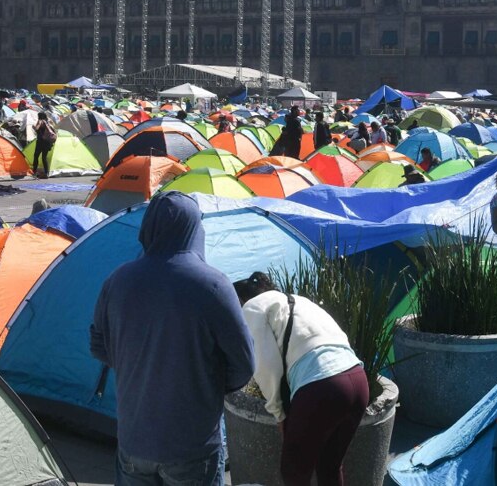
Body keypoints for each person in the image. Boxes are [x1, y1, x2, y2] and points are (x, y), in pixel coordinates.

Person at [90, 192, 255, 486]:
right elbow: (244, 363)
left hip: (133, 439)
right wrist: (210, 385)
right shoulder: (213, 285)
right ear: (194, 228)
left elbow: (99, 346)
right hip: (192, 444)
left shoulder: (117, 281)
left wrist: (136, 367)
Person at [234, 272, 368, 486]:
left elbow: (266, 366)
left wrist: (279, 414)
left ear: (239, 301)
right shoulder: (298, 300)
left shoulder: (251, 308)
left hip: (322, 387)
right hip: (357, 379)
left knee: (294, 473)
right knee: (330, 466)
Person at [33, 111, 56, 178]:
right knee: (44, 157)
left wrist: (34, 127)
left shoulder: (40, 121)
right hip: (47, 142)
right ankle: (46, 172)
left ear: (39, 116)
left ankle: (34, 171)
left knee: (36, 156)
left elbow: (37, 128)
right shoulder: (47, 122)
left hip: (40, 142)